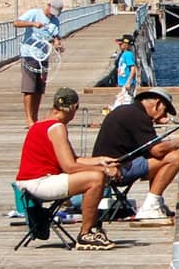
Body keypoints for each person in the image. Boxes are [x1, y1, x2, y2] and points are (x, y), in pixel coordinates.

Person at [16, 87, 121, 250]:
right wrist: (105, 171)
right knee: (96, 179)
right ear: (75, 108)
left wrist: (101, 161)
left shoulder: (41, 124)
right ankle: (85, 234)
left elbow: (74, 160)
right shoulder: (57, 128)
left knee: (97, 173)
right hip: (39, 182)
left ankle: (91, 228)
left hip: (30, 181)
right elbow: (69, 167)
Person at [93, 90, 179, 222]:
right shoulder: (138, 116)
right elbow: (156, 151)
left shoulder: (129, 111)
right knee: (175, 157)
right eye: (164, 111)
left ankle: (156, 203)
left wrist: (171, 143)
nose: (163, 116)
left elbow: (150, 148)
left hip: (108, 166)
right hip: (116, 170)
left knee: (167, 155)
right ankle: (150, 207)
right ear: (157, 104)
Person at [14, 0, 65, 125]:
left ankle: (35, 118)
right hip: (29, 54)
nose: (52, 15)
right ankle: (29, 119)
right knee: (29, 88)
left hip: (43, 56)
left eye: (55, 13)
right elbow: (16, 23)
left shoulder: (55, 21)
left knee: (39, 89)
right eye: (51, 12)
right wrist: (32, 24)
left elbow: (55, 36)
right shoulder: (34, 13)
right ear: (48, 6)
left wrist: (58, 43)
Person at [113, 35, 138, 106]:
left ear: (126, 45)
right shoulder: (124, 54)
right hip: (123, 83)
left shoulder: (128, 54)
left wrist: (129, 82)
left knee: (126, 102)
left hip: (127, 83)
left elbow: (133, 68)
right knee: (121, 102)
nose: (119, 45)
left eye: (121, 44)